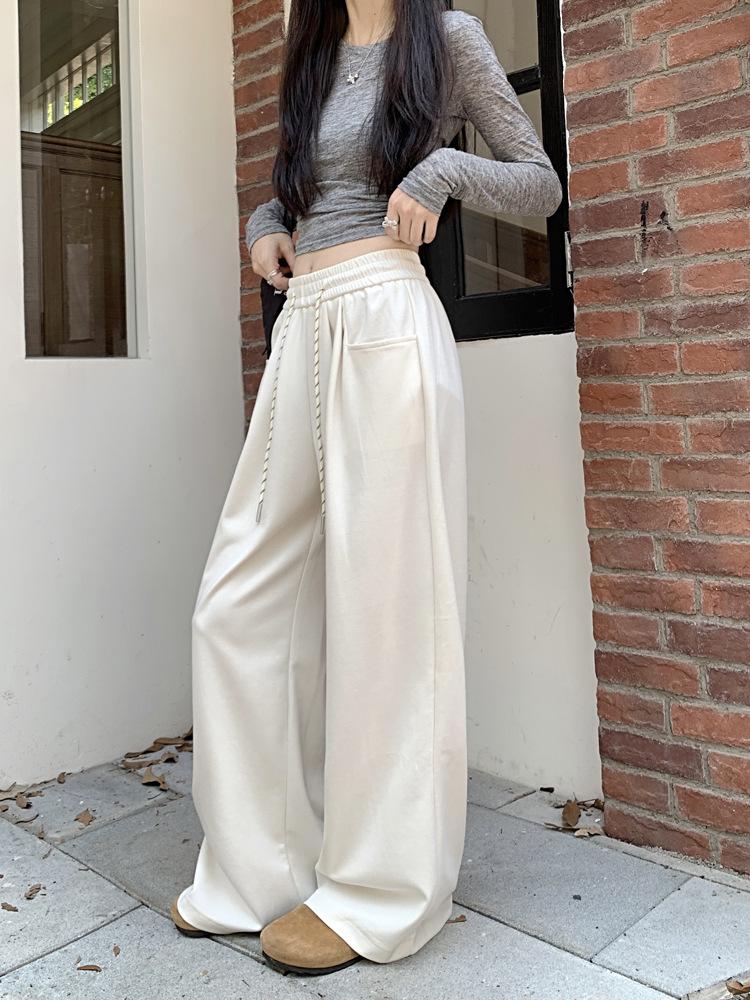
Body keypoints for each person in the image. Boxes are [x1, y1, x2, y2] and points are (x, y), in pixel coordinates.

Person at [171, 0, 563, 978]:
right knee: (239, 601)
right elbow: (296, 192)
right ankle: (262, 868)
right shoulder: (310, 47)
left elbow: (540, 183)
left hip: (388, 319)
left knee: (388, 617)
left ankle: (379, 891)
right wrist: (266, 225)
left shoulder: (451, 38)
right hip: (305, 324)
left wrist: (442, 170)